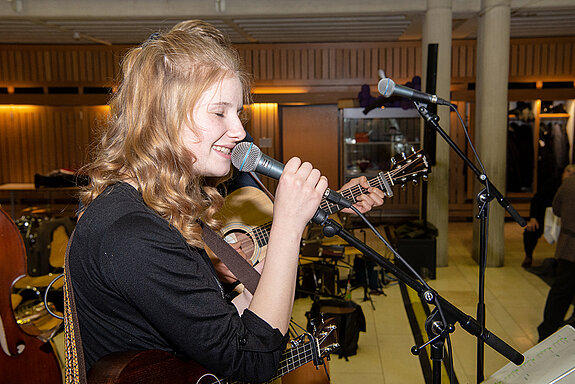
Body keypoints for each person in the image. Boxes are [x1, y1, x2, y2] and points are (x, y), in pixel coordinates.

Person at [68, 20, 384, 382]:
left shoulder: (155, 208)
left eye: (238, 113)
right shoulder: (133, 232)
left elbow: (215, 332)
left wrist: (269, 273)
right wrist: (286, 227)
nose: (238, 131)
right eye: (220, 112)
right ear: (163, 118)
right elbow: (252, 363)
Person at [537, 164, 575, 342]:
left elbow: (557, 209)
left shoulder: (569, 183)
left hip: (569, 245)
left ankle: (548, 332)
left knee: (561, 290)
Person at [521, 174, 562, 268]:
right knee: (530, 231)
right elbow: (536, 200)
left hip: (566, 220)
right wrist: (533, 218)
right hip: (543, 216)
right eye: (568, 172)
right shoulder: (552, 183)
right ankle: (528, 256)